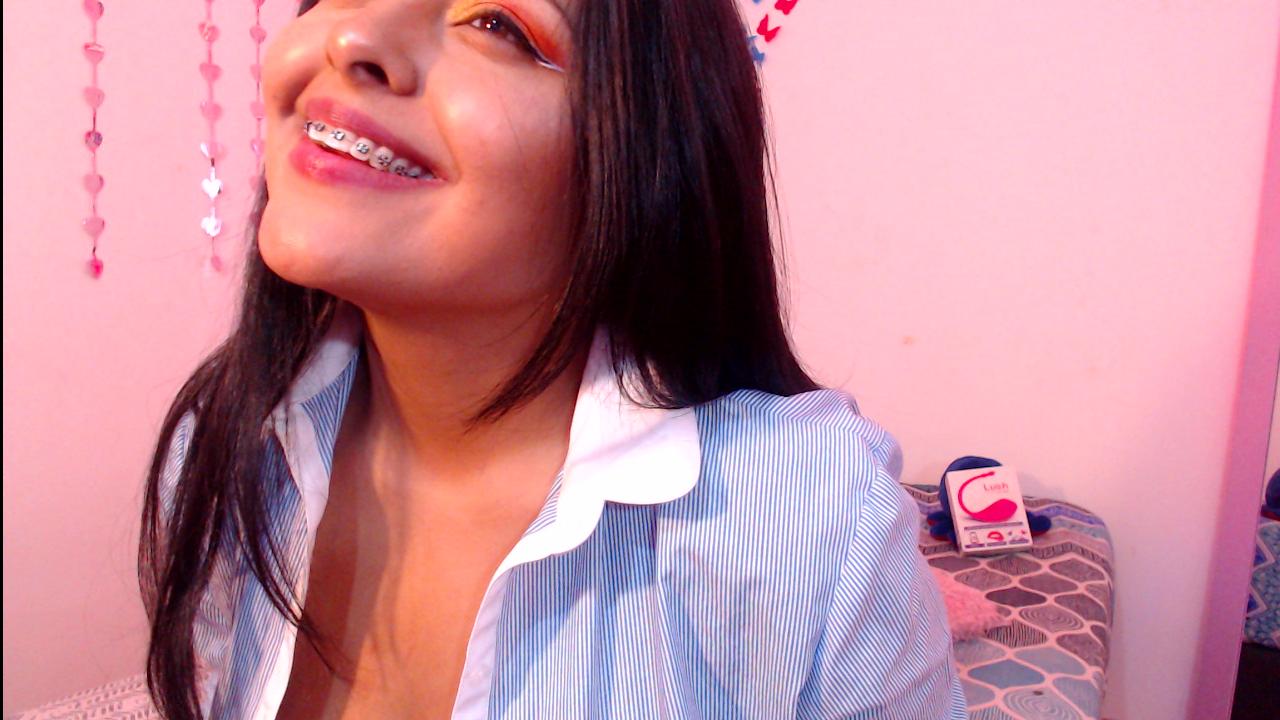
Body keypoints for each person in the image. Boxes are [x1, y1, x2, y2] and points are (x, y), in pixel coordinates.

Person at [138, 0, 968, 718]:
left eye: (497, 24)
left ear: (643, 156)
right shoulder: (222, 449)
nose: (353, 38)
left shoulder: (816, 529)